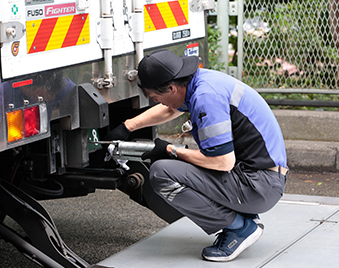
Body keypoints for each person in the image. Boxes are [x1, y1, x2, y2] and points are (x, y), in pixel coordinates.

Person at [104, 49, 288, 262]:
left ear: (172, 87)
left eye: (157, 98)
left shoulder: (205, 98)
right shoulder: (201, 82)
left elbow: (222, 162)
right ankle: (241, 217)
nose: (160, 104)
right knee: (179, 164)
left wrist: (171, 150)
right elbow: (172, 108)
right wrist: (128, 127)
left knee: (161, 172)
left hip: (259, 187)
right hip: (261, 178)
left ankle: (239, 228)